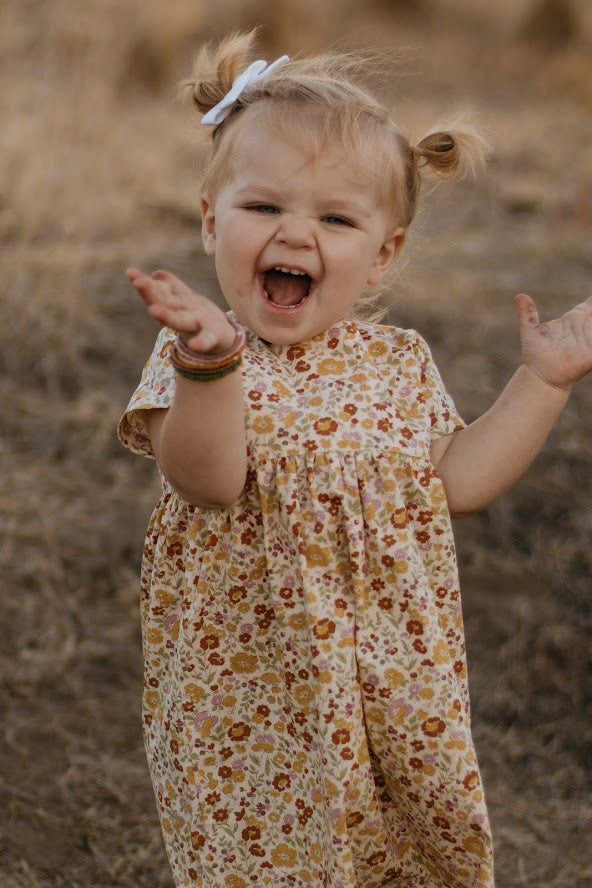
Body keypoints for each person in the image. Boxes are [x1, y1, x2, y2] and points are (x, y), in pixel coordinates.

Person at [118, 30, 592, 888]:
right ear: (209, 218)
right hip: (253, 695)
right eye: (263, 208)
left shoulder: (396, 362)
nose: (297, 234)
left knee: (407, 850)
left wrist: (543, 383)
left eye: (336, 220)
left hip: (397, 682)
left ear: (383, 254)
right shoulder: (198, 358)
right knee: (273, 858)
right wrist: (210, 365)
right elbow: (209, 481)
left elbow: (458, 481)